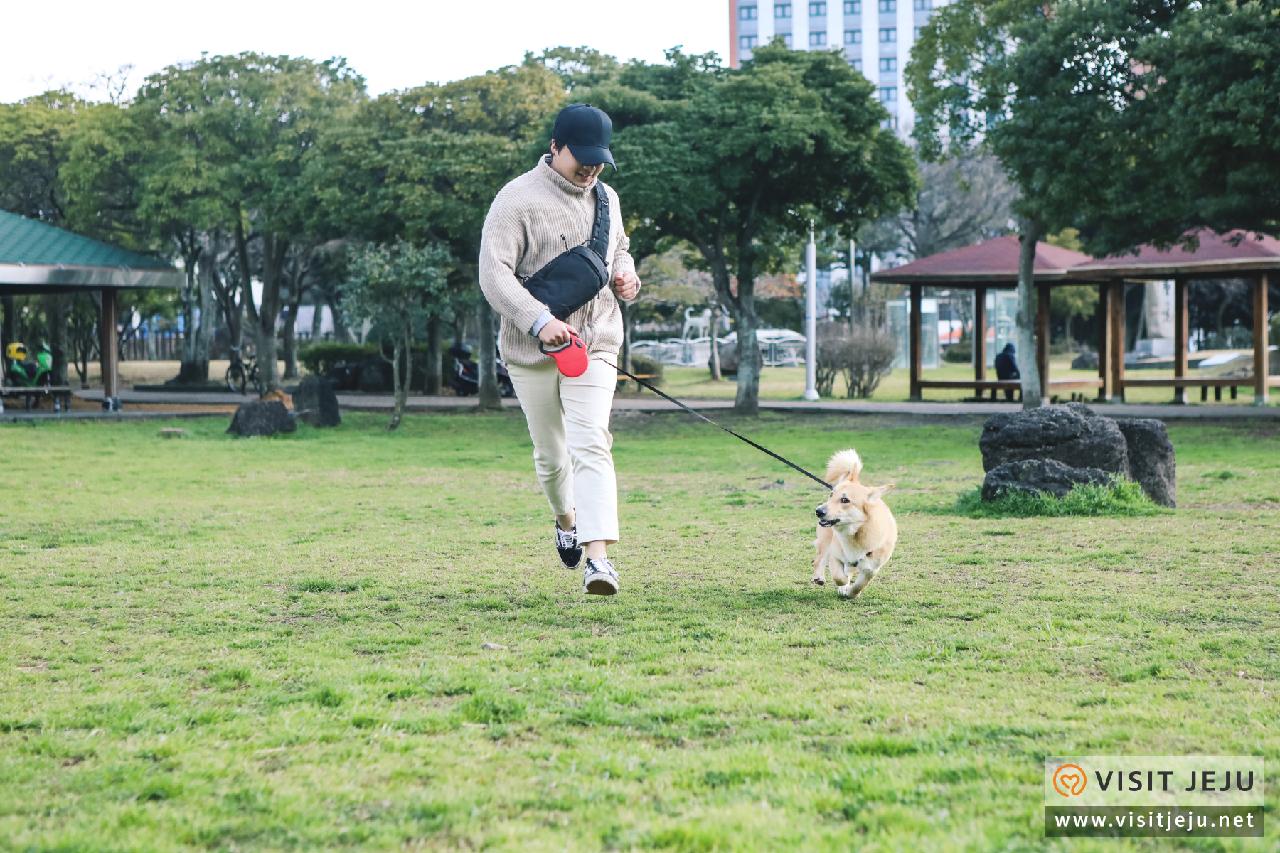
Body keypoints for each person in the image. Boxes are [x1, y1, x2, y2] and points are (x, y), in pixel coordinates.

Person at [478, 103, 641, 596]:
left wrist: (626, 272)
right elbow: (493, 274)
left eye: (598, 160)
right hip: (532, 351)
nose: (589, 169)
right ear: (555, 147)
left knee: (592, 440)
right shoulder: (516, 200)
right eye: (581, 159)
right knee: (552, 456)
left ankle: (598, 560)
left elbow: (619, 247)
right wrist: (539, 320)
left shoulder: (607, 197)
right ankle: (565, 519)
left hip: (596, 341)